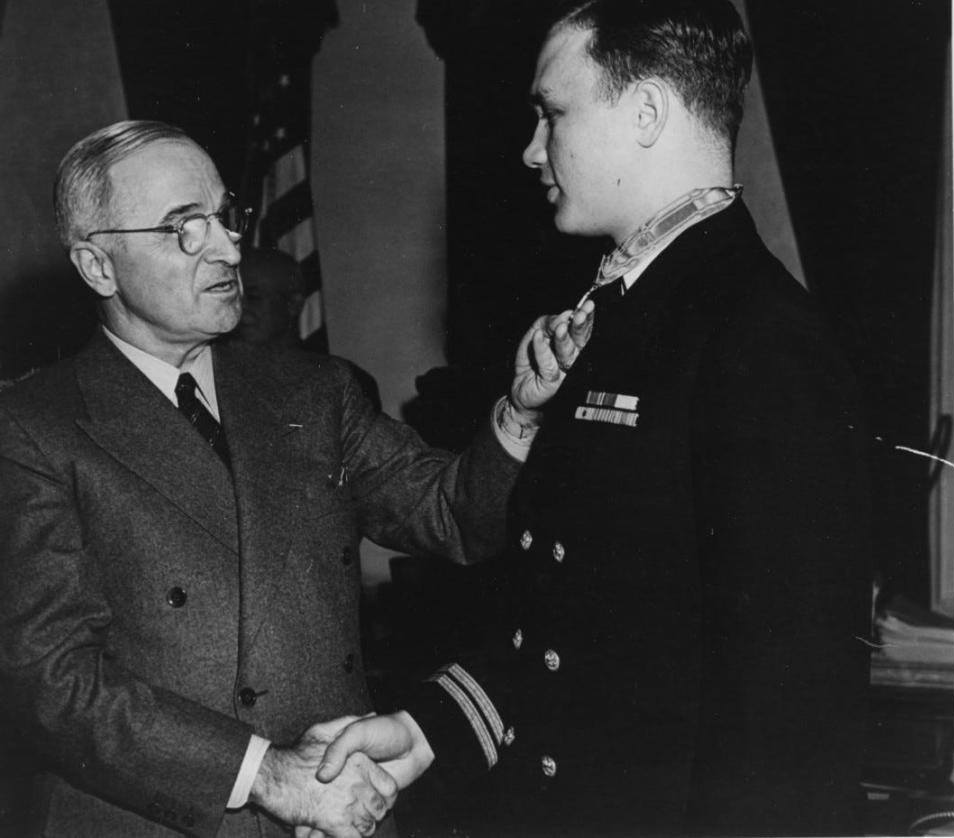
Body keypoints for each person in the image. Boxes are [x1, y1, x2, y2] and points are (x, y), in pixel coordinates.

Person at [317, 0, 873, 837]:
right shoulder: (623, 315)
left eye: (553, 115)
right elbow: (583, 627)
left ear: (645, 113)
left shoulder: (758, 338)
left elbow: (784, 713)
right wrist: (431, 731)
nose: (531, 152)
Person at [0, 120, 593, 838]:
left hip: (336, 814)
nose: (226, 249)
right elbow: (49, 680)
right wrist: (267, 776)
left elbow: (455, 517)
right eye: (182, 228)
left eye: (225, 217)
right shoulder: (33, 425)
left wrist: (520, 414)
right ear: (97, 266)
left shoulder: (313, 392)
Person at [233, 247, 307, 349]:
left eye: (252, 297)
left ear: (293, 304)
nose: (238, 308)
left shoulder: (324, 364)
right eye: (233, 299)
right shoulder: (216, 361)